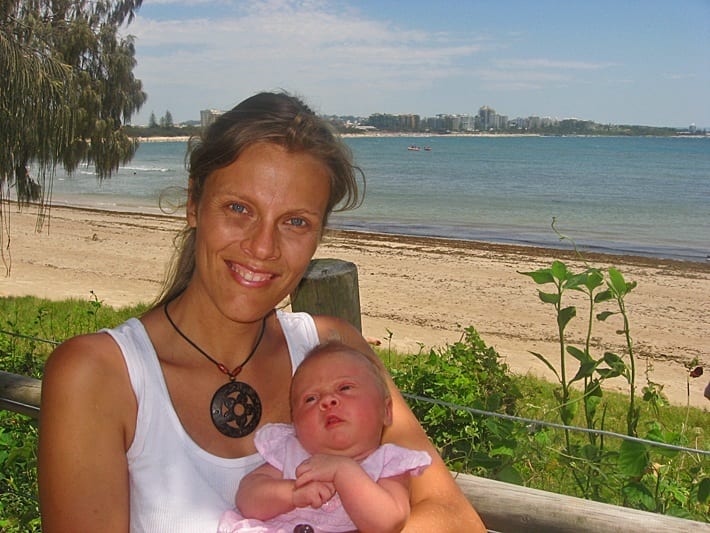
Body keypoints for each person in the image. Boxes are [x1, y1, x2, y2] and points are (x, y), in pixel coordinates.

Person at [38, 91, 486, 532]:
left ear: (319, 235)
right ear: (194, 204)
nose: (262, 247)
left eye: (295, 221)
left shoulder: (332, 349)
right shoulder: (100, 376)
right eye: (238, 208)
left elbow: (454, 518)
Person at [218, 341, 432, 533]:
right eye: (310, 399)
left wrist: (344, 471)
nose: (328, 400)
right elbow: (248, 498)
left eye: (345, 388)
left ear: (386, 411)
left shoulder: (389, 464)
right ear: (295, 424)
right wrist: (292, 493)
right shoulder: (290, 451)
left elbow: (388, 522)